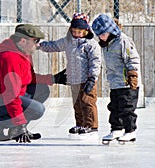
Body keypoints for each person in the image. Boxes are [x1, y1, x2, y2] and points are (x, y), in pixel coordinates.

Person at [0, 24, 66, 143]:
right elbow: (11, 95)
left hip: (4, 96)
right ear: (23, 41)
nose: (38, 44)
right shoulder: (10, 58)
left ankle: (15, 128)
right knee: (37, 109)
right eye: (36, 41)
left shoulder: (23, 53)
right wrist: (20, 123)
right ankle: (1, 125)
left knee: (41, 90)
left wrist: (53, 79)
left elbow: (28, 78)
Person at [39, 13, 101, 136]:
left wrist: (92, 78)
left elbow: (96, 62)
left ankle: (91, 126)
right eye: (74, 31)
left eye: (80, 32)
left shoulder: (91, 44)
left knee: (87, 102)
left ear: (86, 31)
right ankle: (80, 124)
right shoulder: (68, 42)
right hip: (73, 79)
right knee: (77, 104)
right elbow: (53, 46)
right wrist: (39, 45)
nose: (77, 34)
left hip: (87, 80)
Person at [92, 14, 141, 142]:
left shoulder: (123, 41)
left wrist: (133, 74)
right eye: (99, 35)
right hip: (115, 83)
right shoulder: (107, 44)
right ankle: (116, 129)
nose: (101, 37)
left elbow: (133, 58)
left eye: (103, 34)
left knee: (127, 108)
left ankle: (130, 131)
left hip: (127, 83)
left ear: (110, 30)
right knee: (114, 107)